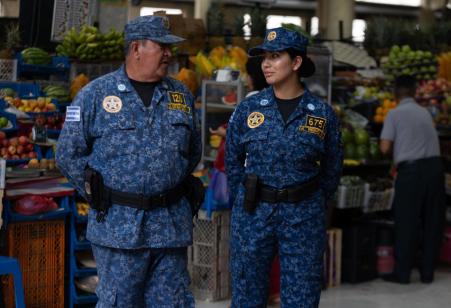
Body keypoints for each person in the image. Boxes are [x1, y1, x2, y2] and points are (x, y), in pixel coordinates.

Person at [56, 15, 201, 307]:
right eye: (162, 46)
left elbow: (192, 152)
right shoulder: (94, 95)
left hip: (169, 226)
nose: (169, 53)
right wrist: (97, 192)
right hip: (118, 230)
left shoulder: (180, 95)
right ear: (137, 48)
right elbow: (67, 154)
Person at [225, 27, 343, 307]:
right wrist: (244, 199)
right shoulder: (248, 110)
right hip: (254, 213)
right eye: (265, 57)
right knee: (246, 295)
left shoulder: (321, 114)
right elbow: (232, 161)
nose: (266, 64)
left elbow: (332, 167)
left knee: (301, 296)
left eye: (275, 56)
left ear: (297, 62)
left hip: (303, 214)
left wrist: (311, 201)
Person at [379, 74, 446, 284]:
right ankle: (427, 273)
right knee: (431, 222)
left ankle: (403, 273)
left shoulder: (394, 114)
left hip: (412, 172)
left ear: (395, 93)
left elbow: (384, 147)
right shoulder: (425, 112)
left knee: (407, 222)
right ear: (415, 92)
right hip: (435, 170)